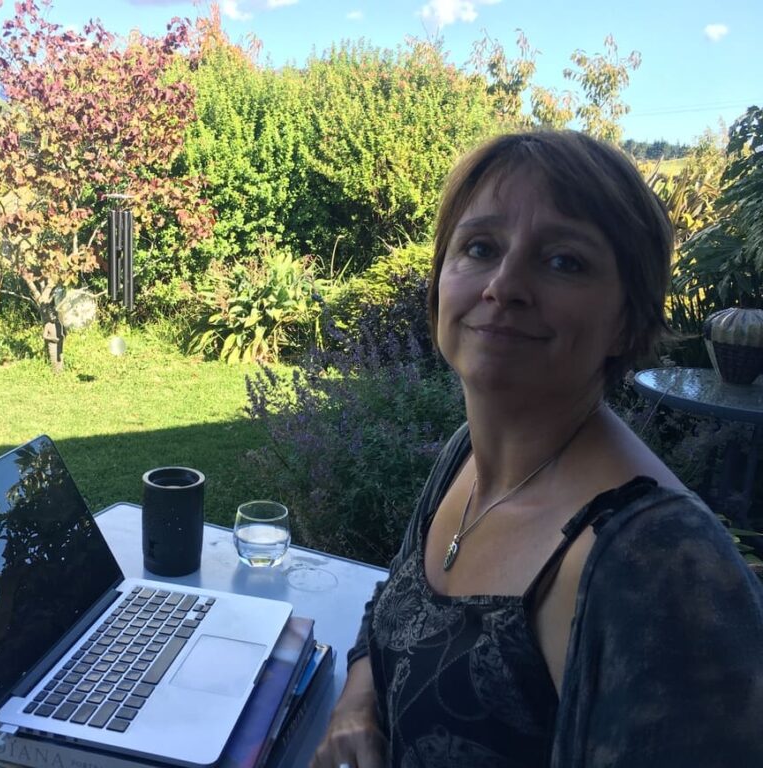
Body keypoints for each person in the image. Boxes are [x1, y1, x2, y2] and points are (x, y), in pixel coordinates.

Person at [310, 130, 763, 768]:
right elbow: (392, 609)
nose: (504, 285)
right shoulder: (466, 459)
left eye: (564, 261)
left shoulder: (659, 568)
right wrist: (355, 705)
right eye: (480, 247)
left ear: (627, 322)